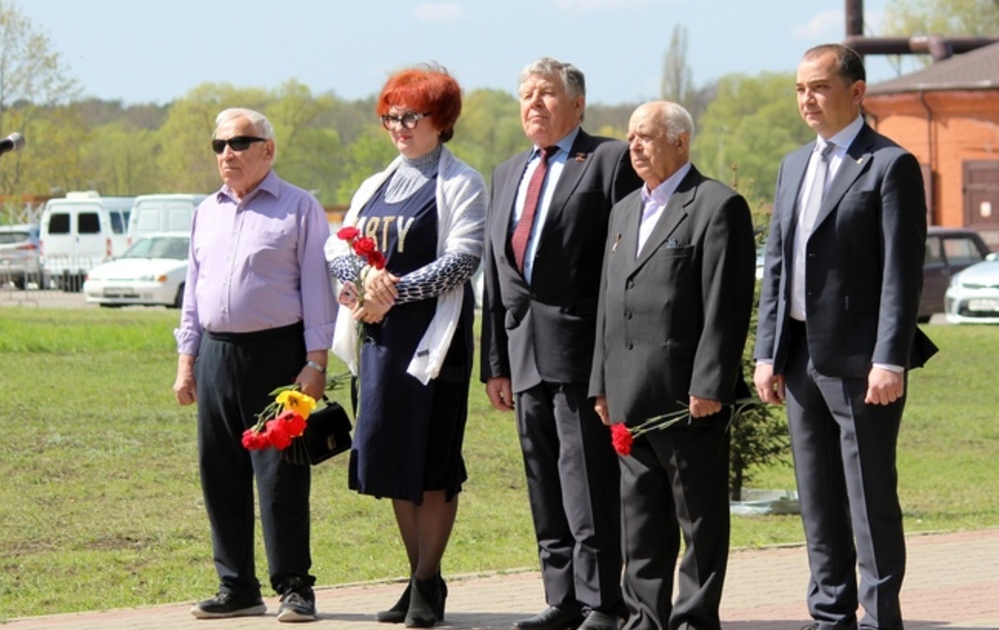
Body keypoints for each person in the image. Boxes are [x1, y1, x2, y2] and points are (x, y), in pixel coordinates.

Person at [753, 44, 938, 630]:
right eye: (800, 88)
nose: (807, 98)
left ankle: (881, 618)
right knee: (817, 500)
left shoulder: (889, 166)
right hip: (802, 357)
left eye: (820, 87)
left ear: (857, 92)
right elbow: (779, 265)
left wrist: (890, 358)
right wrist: (767, 351)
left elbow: (901, 275)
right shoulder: (792, 166)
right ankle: (830, 616)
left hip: (864, 365)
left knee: (868, 500)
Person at [480, 57, 640, 630]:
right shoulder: (505, 174)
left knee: (587, 481)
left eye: (546, 94)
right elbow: (497, 279)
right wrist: (494, 361)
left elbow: (623, 263)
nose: (534, 104)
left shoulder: (607, 160)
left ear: (576, 104)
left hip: (581, 351)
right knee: (542, 479)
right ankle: (562, 598)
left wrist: (610, 359)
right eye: (526, 95)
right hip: (522, 356)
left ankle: (603, 601)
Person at [324, 64, 486, 628]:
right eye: (389, 116)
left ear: (440, 121)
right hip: (383, 341)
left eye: (409, 116)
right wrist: (364, 285)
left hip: (435, 344)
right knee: (394, 458)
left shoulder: (462, 182)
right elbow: (337, 246)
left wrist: (394, 289)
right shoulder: (376, 184)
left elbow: (464, 258)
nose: (397, 126)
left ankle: (426, 581)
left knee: (433, 460)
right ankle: (421, 577)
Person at [590, 100, 756, 630]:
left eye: (645, 136)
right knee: (639, 520)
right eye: (631, 137)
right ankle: (644, 618)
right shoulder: (622, 210)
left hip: (688, 397)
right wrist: (601, 383)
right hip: (628, 396)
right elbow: (608, 304)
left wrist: (711, 383)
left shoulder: (715, 205)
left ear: (679, 142)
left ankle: (693, 618)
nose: (633, 146)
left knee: (698, 519)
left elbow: (725, 307)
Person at [173, 107, 337, 623]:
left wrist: (315, 363)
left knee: (280, 476)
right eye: (220, 144)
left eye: (240, 142)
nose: (228, 153)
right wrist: (186, 360)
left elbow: (317, 290)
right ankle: (237, 586)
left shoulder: (300, 208)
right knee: (218, 471)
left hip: (279, 356)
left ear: (268, 149)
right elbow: (194, 297)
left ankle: (294, 587)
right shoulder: (206, 212)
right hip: (217, 355)